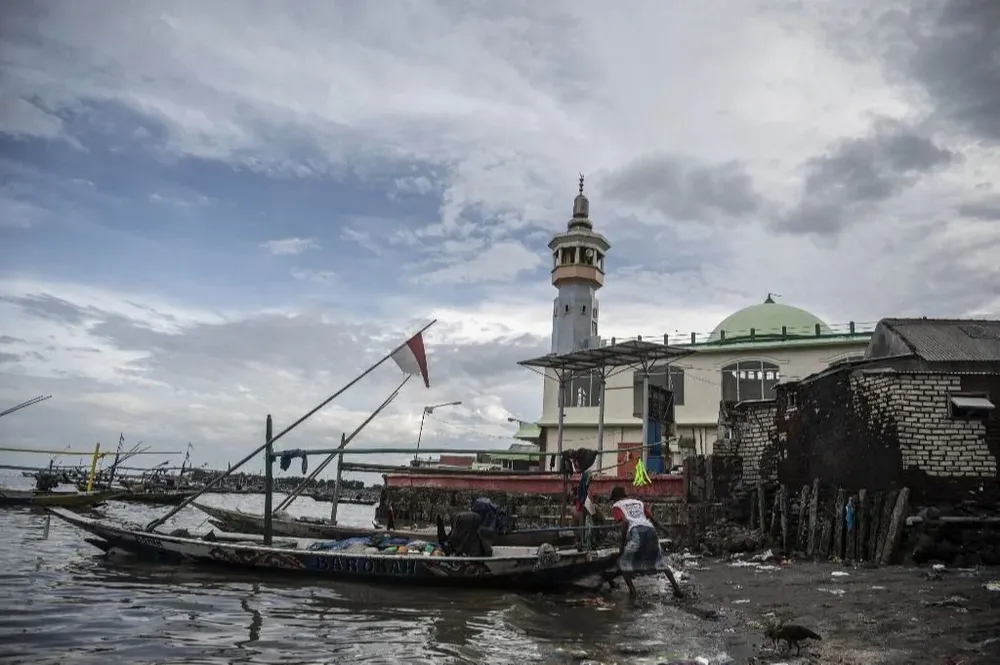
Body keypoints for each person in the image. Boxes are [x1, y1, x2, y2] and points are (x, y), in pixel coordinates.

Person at [603, 485, 685, 599]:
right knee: (660, 563)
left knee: (623, 563)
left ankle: (633, 593)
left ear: (616, 498)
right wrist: (665, 530)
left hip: (636, 532)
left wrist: (621, 546)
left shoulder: (617, 505)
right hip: (651, 530)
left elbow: (625, 523)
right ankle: (678, 590)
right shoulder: (638, 503)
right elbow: (652, 519)